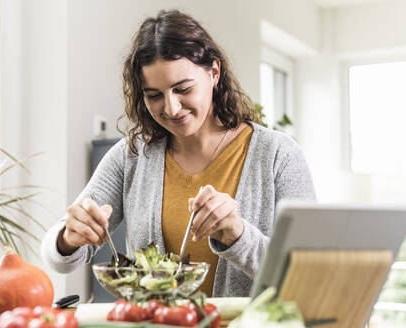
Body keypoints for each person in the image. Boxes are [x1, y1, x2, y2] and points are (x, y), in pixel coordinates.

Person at [41, 9, 315, 297]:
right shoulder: (130, 157)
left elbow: (311, 273)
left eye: (183, 89)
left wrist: (238, 235)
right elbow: (55, 256)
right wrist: (68, 238)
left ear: (214, 73)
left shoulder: (277, 156)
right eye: (154, 96)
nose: (171, 109)